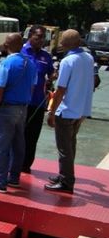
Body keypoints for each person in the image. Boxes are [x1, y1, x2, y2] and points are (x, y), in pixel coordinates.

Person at [0, 33, 36, 193]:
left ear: (6, 46)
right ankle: (14, 178)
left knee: (0, 146)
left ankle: (0, 182)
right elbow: (32, 87)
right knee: (18, 144)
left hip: (7, 108)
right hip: (23, 108)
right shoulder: (31, 64)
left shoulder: (6, 63)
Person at [45, 29, 94, 193]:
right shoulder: (88, 58)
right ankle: (64, 174)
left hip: (67, 110)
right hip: (81, 109)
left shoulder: (68, 61)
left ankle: (67, 182)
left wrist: (52, 111)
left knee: (64, 147)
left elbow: (60, 89)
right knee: (71, 144)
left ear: (65, 44)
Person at [20, 25, 55, 174]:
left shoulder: (46, 57)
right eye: (38, 37)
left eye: (43, 37)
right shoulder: (20, 52)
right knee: (18, 134)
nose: (41, 40)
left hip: (38, 102)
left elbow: (52, 73)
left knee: (33, 135)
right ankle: (12, 162)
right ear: (30, 36)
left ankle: (26, 165)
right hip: (21, 101)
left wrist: (53, 76)